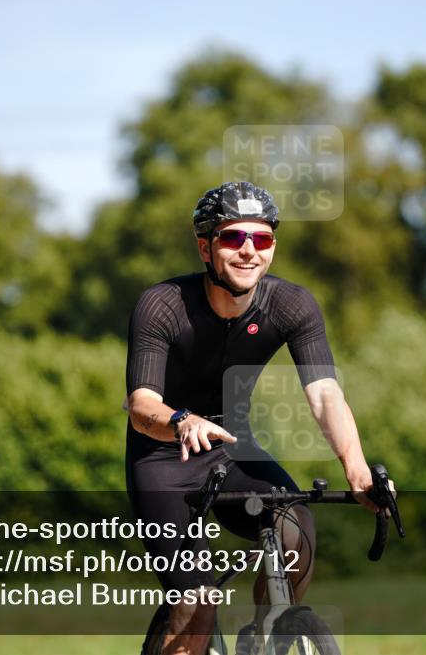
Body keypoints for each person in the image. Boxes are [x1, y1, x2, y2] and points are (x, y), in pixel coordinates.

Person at [125, 181, 381, 655]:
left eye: (261, 240)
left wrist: (357, 467)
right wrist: (183, 421)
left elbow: (325, 394)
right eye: (232, 238)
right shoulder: (161, 305)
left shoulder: (292, 305)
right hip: (162, 456)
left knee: (295, 529)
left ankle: (269, 635)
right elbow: (142, 406)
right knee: (197, 605)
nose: (248, 251)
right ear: (205, 246)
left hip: (231, 449)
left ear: (273, 248)